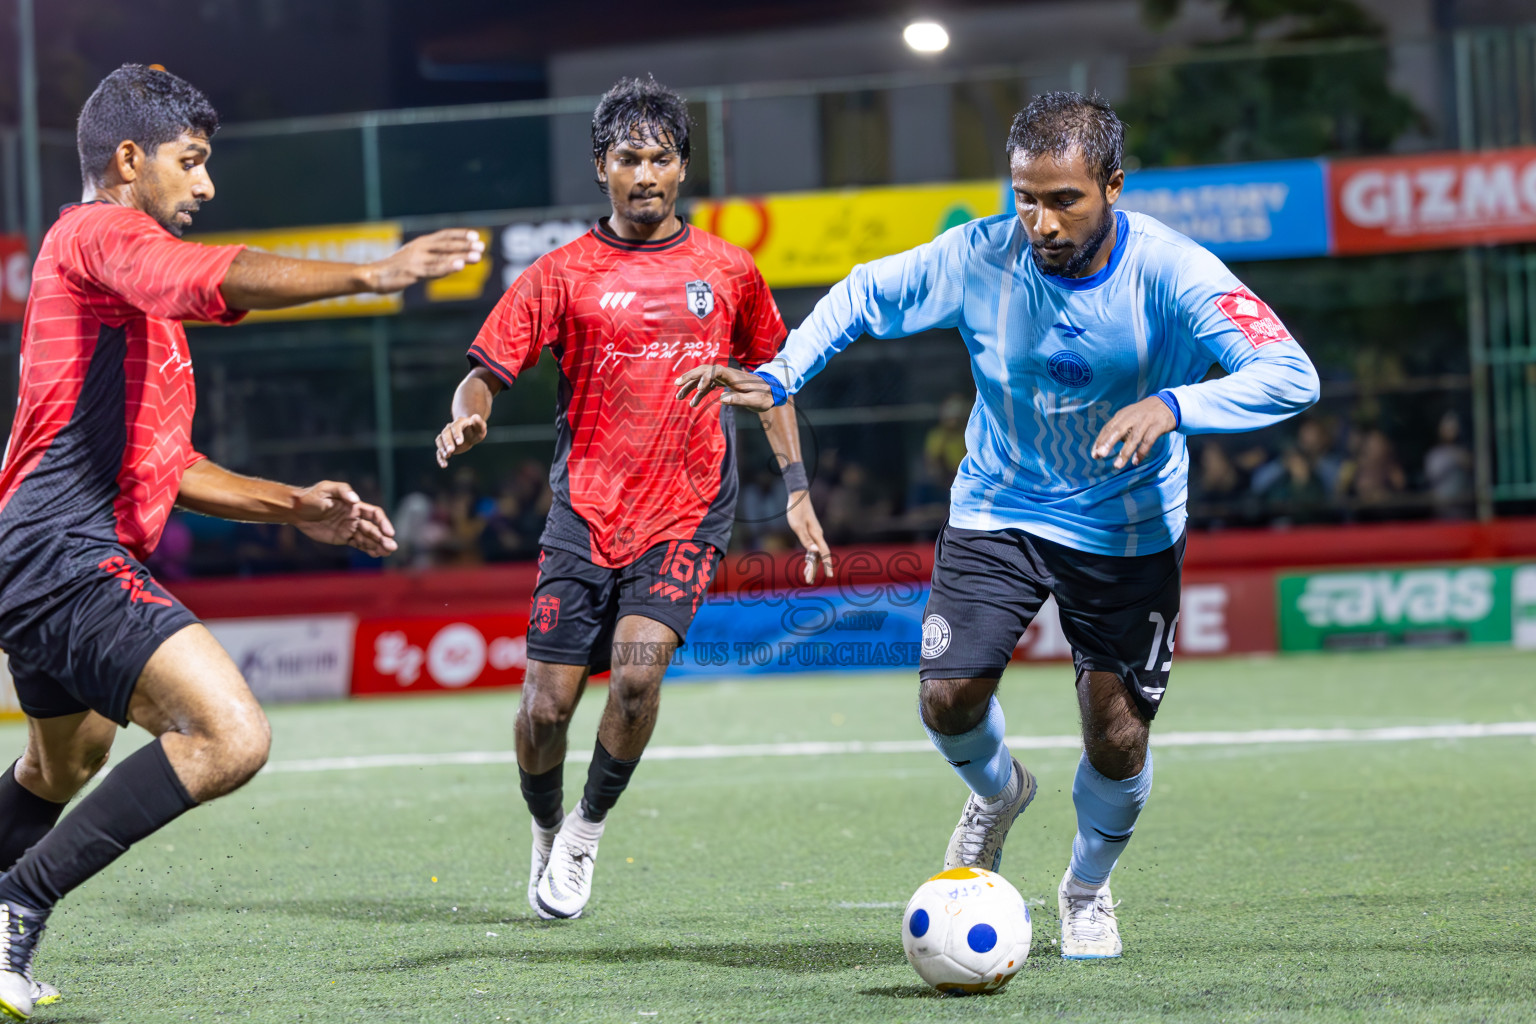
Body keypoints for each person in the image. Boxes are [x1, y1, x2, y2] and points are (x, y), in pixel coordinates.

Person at [677, 91, 1318, 960]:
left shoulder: (1174, 272)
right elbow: (866, 293)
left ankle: (1086, 891)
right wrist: (783, 372)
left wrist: (1175, 405)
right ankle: (998, 791)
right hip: (999, 504)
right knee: (946, 697)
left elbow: (1290, 373)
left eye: (1064, 200)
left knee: (1117, 735)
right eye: (1025, 196)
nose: (1041, 221)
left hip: (1124, 527)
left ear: (1114, 187)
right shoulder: (979, 254)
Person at [0, 64, 483, 1019]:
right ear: (129, 161)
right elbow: (201, 274)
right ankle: (17, 903)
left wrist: (293, 506)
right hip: (63, 548)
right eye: (193, 162)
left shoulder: (123, 300)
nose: (207, 184)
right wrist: (370, 275)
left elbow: (169, 466)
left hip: (45, 548)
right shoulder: (99, 234)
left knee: (62, 765)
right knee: (230, 735)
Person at [434, 76, 831, 922]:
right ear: (601, 168)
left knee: (638, 680)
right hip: (584, 511)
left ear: (683, 168)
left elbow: (775, 381)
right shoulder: (560, 274)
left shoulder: (728, 270)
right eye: (627, 159)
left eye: (659, 157)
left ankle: (584, 832)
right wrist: (468, 416)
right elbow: (483, 372)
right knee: (545, 709)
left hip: (687, 511)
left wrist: (796, 489)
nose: (644, 174)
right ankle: (545, 830)